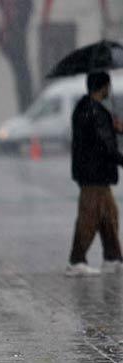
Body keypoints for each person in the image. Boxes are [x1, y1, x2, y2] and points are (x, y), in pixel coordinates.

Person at [67, 71, 123, 276]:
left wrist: (113, 126)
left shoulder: (86, 108)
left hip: (93, 173)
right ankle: (76, 261)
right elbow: (105, 145)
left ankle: (113, 258)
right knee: (88, 219)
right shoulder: (95, 112)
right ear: (103, 87)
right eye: (108, 85)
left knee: (109, 215)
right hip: (94, 174)